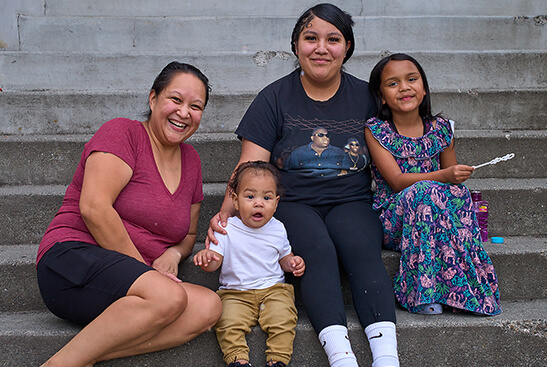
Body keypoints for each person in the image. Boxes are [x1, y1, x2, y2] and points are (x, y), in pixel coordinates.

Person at [207, 4, 400, 367]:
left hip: (351, 200)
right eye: (311, 38)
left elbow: (401, 139)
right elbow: (250, 165)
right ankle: (340, 354)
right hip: (293, 204)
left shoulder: (367, 96)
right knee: (315, 250)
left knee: (361, 245)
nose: (321, 48)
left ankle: (386, 354)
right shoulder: (274, 97)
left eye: (333, 39)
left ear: (348, 47)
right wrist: (225, 213)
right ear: (296, 45)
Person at [36, 61, 222, 367]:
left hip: (134, 286)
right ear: (153, 99)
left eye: (196, 106)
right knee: (168, 298)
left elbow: (189, 234)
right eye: (175, 100)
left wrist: (175, 254)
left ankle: (83, 356)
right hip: (73, 261)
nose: (184, 112)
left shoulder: (191, 161)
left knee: (208, 306)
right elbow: (94, 208)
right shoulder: (123, 133)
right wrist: (145, 272)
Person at [364, 53, 502, 316]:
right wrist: (445, 175)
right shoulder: (376, 130)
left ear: (424, 88)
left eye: (411, 79)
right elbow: (396, 182)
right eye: (393, 83)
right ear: (381, 96)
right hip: (395, 217)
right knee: (424, 191)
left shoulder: (441, 129)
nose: (404, 87)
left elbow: (450, 180)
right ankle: (421, 293)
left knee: (457, 192)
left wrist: (455, 176)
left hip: (434, 215)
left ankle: (462, 292)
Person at [194, 161, 305, 367]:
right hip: (235, 293)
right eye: (250, 196)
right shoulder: (226, 228)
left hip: (273, 290)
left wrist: (292, 262)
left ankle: (278, 359)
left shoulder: (278, 228)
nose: (259, 203)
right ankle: (238, 359)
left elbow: (283, 257)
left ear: (276, 202)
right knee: (227, 322)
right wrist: (207, 260)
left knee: (284, 319)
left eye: (267, 197)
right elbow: (214, 263)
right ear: (235, 201)